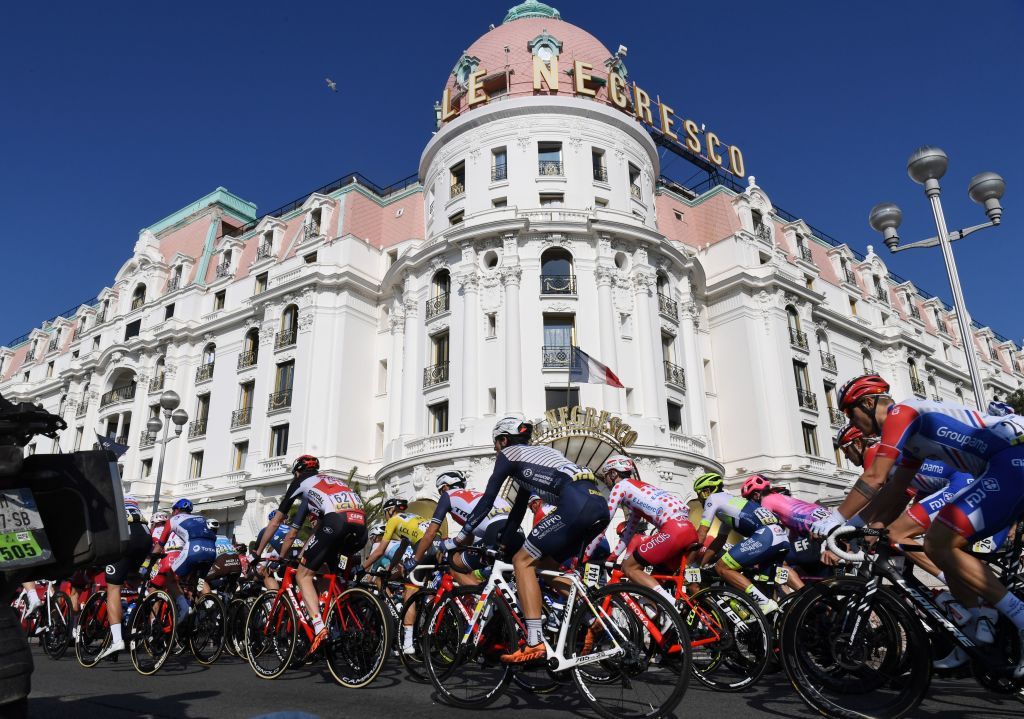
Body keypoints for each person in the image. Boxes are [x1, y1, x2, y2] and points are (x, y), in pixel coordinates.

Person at [813, 373, 1024, 677]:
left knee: (937, 541)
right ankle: (979, 626)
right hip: (1003, 467)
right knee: (941, 544)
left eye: (851, 413)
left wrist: (835, 518)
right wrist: (854, 524)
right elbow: (896, 490)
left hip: (1009, 463)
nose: (853, 422)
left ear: (869, 402)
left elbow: (876, 477)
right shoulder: (912, 441)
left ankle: (1010, 617)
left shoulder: (902, 413)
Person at [452, 416, 609, 664]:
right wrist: (503, 542)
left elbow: (488, 499)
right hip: (598, 504)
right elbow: (518, 510)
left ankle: (534, 641)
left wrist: (459, 539)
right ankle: (593, 618)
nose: (495, 450)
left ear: (504, 440)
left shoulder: (509, 454)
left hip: (576, 504)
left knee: (522, 562)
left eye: (496, 443)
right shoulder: (534, 457)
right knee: (546, 570)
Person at [254, 456, 366, 654]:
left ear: (297, 472)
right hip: (360, 526)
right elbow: (319, 530)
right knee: (325, 571)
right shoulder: (331, 481)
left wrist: (257, 552)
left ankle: (319, 627)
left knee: (303, 575)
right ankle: (335, 613)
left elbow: (275, 522)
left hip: (337, 522)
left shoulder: (301, 482)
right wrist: (306, 553)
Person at [584, 454, 697, 605]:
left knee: (629, 568)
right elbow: (630, 530)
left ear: (613, 473)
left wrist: (586, 554)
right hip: (688, 529)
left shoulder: (621, 486)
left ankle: (672, 603)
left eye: (606, 476)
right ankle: (662, 621)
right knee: (651, 589)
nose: (605, 481)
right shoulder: (640, 490)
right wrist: (614, 555)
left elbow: (604, 522)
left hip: (673, 530)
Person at [693, 473, 790, 615]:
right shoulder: (730, 503)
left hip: (767, 536)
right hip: (781, 538)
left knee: (722, 567)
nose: (700, 498)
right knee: (764, 586)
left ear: (709, 491)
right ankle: (772, 623)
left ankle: (764, 604)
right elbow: (720, 540)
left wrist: (690, 561)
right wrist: (702, 564)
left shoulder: (713, 499)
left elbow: (701, 534)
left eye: (701, 493)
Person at [361, 499, 434, 654]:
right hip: (437, 547)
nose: (385, 516)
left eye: (385, 513)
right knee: (423, 592)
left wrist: (361, 568)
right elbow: (402, 548)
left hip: (423, 549)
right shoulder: (413, 518)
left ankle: (407, 644)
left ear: (390, 510)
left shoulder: (394, 520)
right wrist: (390, 568)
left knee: (410, 593)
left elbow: (380, 551)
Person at [95, 493, 152, 660]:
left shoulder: (114, 509)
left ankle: (117, 640)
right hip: (145, 540)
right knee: (133, 575)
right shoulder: (138, 512)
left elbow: (102, 535)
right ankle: (145, 598)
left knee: (113, 588)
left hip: (127, 540)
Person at [151, 498, 217, 625]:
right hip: (211, 551)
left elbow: (160, 545)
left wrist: (151, 558)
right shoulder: (201, 518)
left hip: (194, 549)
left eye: (172, 510)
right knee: (198, 580)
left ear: (176, 510)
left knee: (170, 578)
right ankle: (209, 604)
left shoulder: (172, 520)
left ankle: (183, 606)